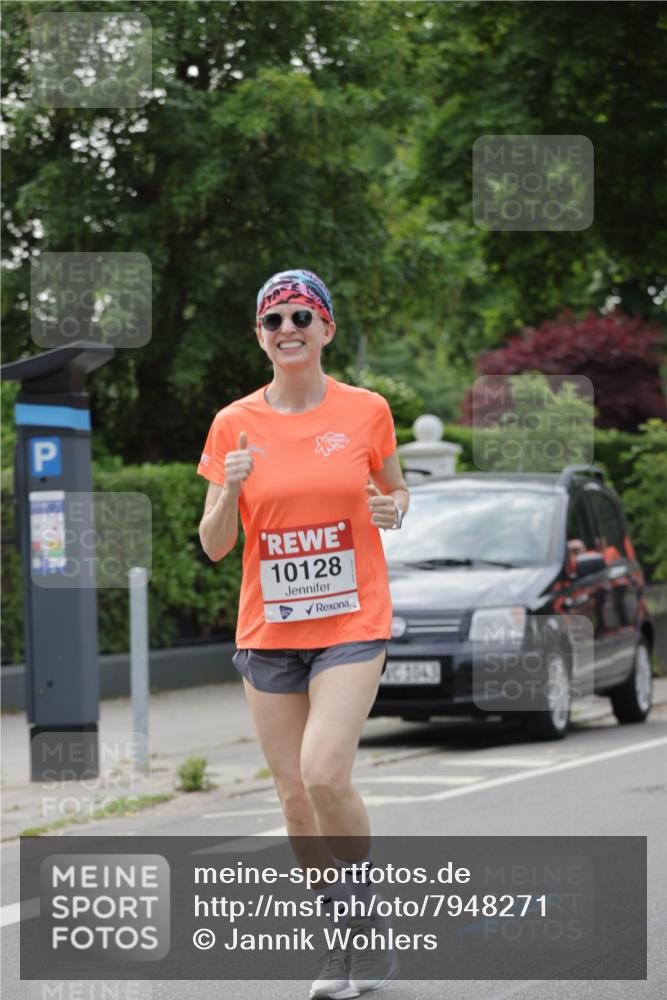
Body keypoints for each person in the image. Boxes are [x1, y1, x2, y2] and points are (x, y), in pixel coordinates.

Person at [197, 269, 409, 998]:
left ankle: (370, 929)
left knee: (324, 773)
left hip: (352, 621)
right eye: (272, 320)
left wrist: (395, 509)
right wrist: (227, 487)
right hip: (268, 630)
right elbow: (215, 544)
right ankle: (340, 945)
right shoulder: (233, 423)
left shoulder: (366, 410)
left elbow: (394, 485)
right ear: (260, 336)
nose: (287, 329)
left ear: (325, 330)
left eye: (300, 317)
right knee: (291, 796)